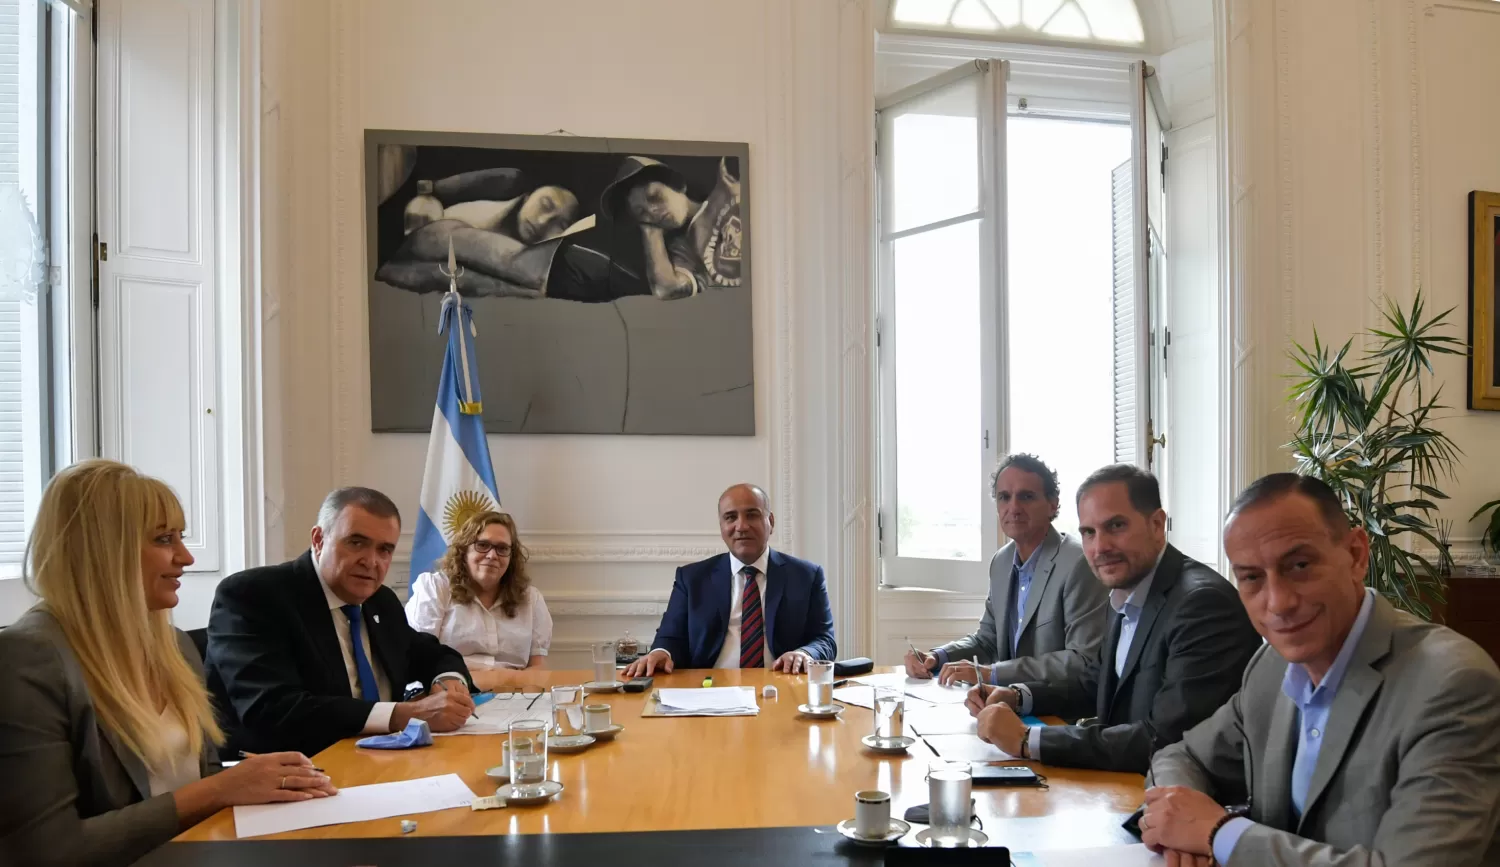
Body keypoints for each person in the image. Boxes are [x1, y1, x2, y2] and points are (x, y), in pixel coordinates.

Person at [1142, 474, 1500, 867]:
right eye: (1251, 578)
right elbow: (1182, 755)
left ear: (1356, 555)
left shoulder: (1454, 684)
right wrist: (1176, 820)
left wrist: (1218, 834)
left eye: (1299, 565)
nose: (1277, 603)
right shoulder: (1270, 668)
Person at [0, 460, 336, 867]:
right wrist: (221, 788)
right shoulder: (26, 659)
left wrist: (272, 782)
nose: (187, 557)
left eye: (181, 537)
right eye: (164, 539)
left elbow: (203, 779)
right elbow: (48, 851)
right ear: (103, 550)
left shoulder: (173, 647)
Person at [969, 464, 1260, 774]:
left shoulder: (1202, 605)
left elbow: (1165, 740)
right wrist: (1019, 696)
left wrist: (1028, 739)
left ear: (1157, 524)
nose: (1100, 548)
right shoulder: (1125, 592)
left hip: (1186, 803)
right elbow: (1096, 681)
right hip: (1124, 787)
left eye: (1116, 526)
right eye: (1089, 533)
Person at [207, 487, 476, 758]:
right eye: (356, 542)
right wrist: (403, 714)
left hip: (381, 760)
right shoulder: (254, 595)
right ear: (319, 539)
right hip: (293, 767)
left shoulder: (380, 600)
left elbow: (433, 653)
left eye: (384, 550)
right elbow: (273, 709)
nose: (371, 561)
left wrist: (448, 681)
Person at [905, 453, 1108, 687]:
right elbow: (988, 640)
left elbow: (1083, 660)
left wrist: (992, 673)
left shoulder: (1078, 562)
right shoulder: (1001, 562)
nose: (1013, 507)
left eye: (1026, 497)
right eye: (1004, 497)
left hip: (1058, 711)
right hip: (1007, 702)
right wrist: (937, 657)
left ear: (1053, 504)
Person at [623, 484, 836, 676]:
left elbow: (824, 640)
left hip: (780, 687)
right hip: (708, 689)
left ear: (770, 522)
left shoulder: (807, 576)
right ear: (722, 527)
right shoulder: (691, 578)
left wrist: (804, 653)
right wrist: (662, 652)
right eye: (731, 517)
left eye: (752, 515)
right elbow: (670, 637)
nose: (741, 526)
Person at [406, 510, 553, 691]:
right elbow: (422, 662)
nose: (492, 555)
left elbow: (538, 669)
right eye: (482, 545)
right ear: (464, 550)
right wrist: (502, 677)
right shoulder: (435, 588)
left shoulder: (531, 598)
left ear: (511, 557)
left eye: (502, 549)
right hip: (448, 694)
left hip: (515, 698)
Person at [601, 154, 743, 300]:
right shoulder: (684, 250)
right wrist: (650, 232)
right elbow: (666, 289)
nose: (652, 211)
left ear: (677, 185)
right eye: (641, 213)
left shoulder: (728, 188)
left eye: (655, 196)